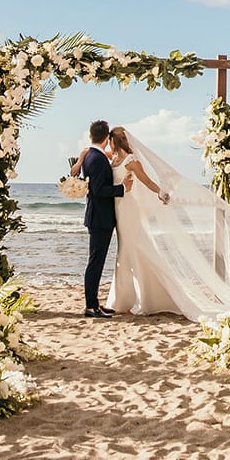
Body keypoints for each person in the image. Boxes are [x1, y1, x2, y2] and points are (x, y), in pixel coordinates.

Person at [101, 125, 230, 319]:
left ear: (114, 140)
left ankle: (127, 300)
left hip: (129, 210)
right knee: (129, 251)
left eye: (111, 139)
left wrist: (160, 192)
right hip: (119, 210)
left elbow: (146, 181)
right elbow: (93, 151)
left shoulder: (131, 161)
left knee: (128, 251)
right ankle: (133, 297)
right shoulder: (114, 160)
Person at [72, 119, 130, 319]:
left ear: (91, 136)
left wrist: (80, 159)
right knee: (95, 262)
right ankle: (90, 307)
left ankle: (95, 303)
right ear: (106, 138)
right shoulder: (96, 159)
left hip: (99, 217)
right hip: (99, 219)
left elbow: (86, 155)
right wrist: (122, 188)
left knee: (97, 261)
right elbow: (98, 190)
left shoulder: (91, 155)